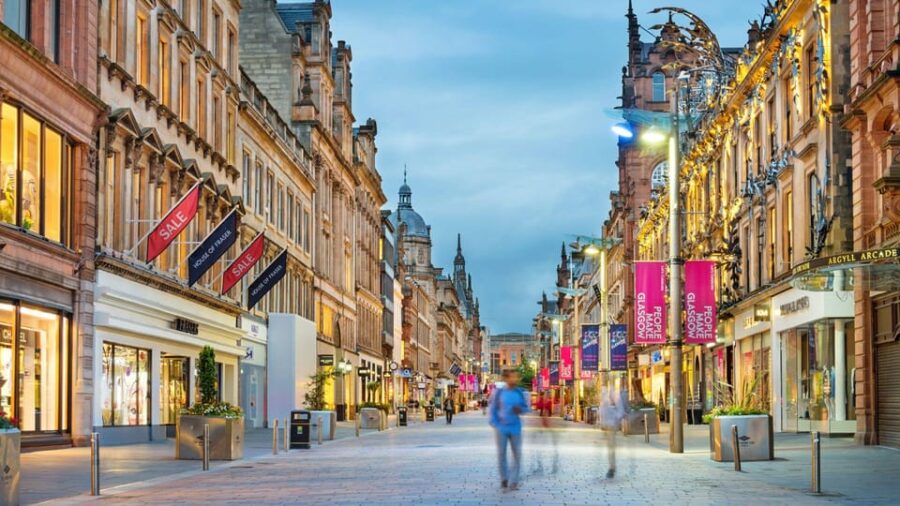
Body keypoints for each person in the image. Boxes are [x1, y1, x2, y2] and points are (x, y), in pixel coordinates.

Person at [489, 368, 530, 490]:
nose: (514, 379)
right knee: (502, 454)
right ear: (506, 378)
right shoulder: (499, 393)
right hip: (502, 428)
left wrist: (521, 410)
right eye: (512, 377)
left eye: (516, 377)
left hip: (515, 428)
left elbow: (526, 408)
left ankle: (514, 480)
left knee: (517, 454)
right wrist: (496, 423)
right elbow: (493, 410)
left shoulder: (519, 392)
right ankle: (504, 479)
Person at [599, 381, 626, 478]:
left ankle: (612, 468)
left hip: (612, 427)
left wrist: (615, 421)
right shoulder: (604, 398)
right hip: (606, 427)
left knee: (611, 448)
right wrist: (602, 423)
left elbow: (621, 412)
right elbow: (602, 410)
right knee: (609, 448)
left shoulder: (616, 398)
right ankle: (612, 467)